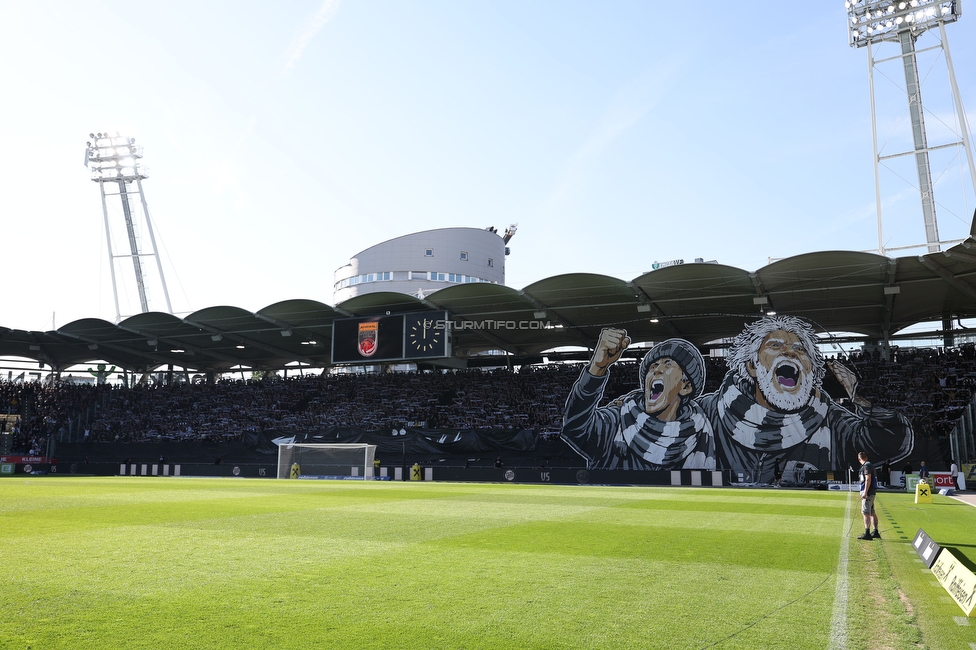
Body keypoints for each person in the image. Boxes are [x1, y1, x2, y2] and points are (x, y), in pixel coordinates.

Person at [697, 315, 914, 484]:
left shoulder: (832, 420)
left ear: (810, 369)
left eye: (799, 349)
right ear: (752, 366)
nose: (790, 353)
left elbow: (892, 440)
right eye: (775, 345)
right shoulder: (709, 412)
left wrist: (859, 399)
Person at [562, 329, 714, 470]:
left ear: (686, 386)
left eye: (668, 364)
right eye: (653, 366)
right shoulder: (616, 422)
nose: (657, 370)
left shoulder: (700, 431)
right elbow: (575, 428)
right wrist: (597, 368)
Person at [857, 451, 880, 540]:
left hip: (868, 492)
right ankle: (875, 531)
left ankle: (867, 532)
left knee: (865, 512)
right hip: (871, 492)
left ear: (859, 458)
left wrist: (865, 492)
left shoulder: (866, 466)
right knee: (872, 512)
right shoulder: (869, 465)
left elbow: (868, 479)